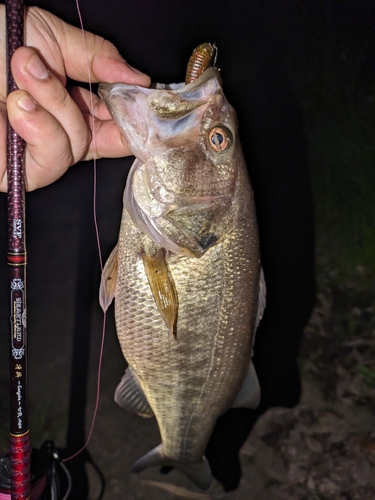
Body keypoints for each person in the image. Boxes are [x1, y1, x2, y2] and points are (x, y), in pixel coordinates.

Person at [0, 1, 315, 492]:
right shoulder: (190, 231)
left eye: (215, 139)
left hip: (194, 368)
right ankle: (183, 451)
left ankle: (182, 448)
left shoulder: (202, 235)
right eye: (218, 138)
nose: (210, 131)